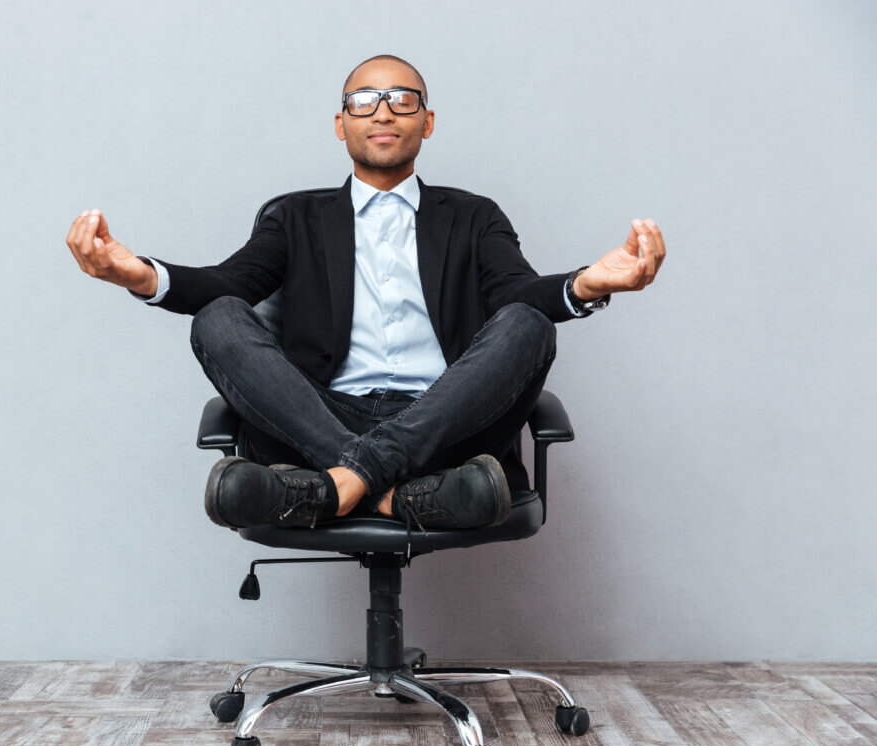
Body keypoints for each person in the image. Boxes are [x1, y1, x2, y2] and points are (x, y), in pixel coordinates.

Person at [66, 54, 666, 535]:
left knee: (528, 324)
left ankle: (335, 489)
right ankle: (396, 495)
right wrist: (139, 275)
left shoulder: (474, 216)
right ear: (341, 123)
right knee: (219, 316)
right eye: (364, 100)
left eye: (402, 99)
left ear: (426, 122)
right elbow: (228, 284)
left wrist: (586, 285)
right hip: (323, 416)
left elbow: (517, 292)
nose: (383, 112)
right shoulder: (295, 218)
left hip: (444, 420)